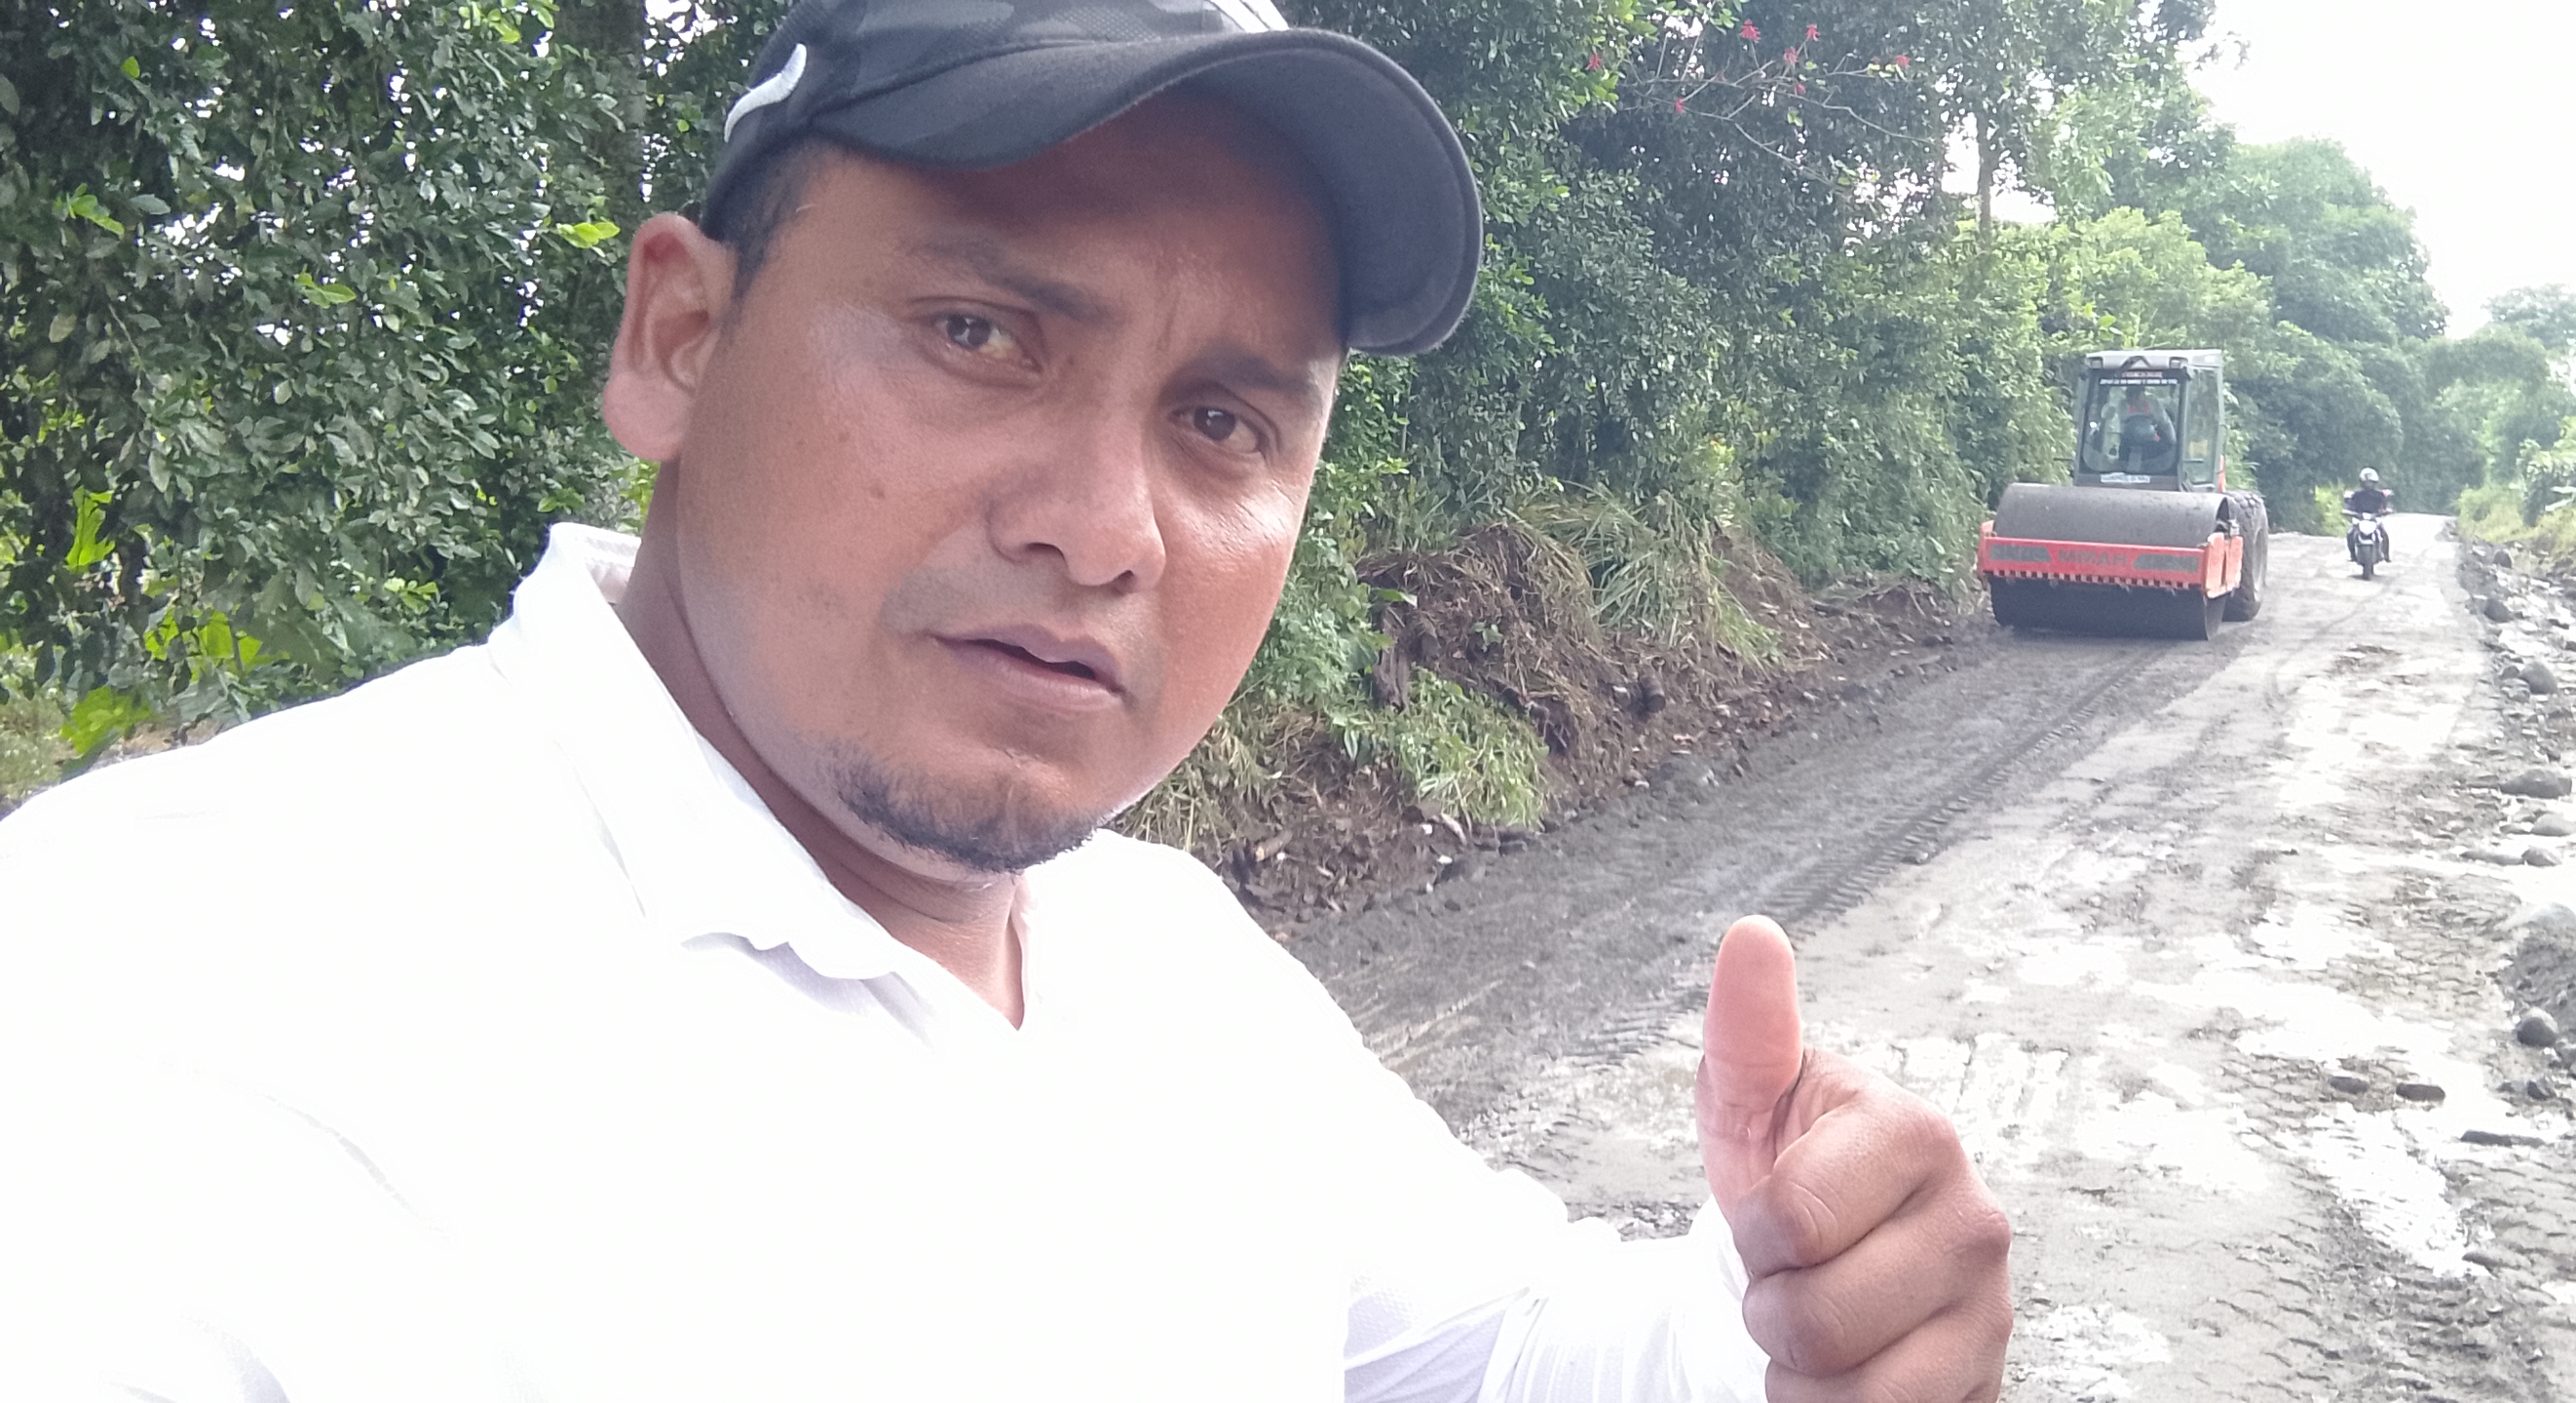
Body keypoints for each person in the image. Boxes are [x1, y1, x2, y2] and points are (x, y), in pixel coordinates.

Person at [0, 1, 2012, 1398]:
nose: (1105, 528)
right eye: (978, 332)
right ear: (678, 336)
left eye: (1223, 420)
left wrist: (1792, 1321)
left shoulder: (1163, 961)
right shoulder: (168, 1001)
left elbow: (1496, 1355)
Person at [2113, 385, 2180, 476]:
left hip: (2150, 446)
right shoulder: (2123, 405)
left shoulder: (2154, 404)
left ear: (2142, 394)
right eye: (2130, 396)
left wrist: (2173, 443)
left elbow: (2165, 424)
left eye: (2137, 396)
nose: (2133, 401)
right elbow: (2121, 423)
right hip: (2127, 445)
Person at [2341, 467, 2395, 561]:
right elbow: (2348, 505)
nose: (2368, 484)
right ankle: (2352, 554)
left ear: (2375, 482)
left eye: (2370, 482)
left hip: (2375, 517)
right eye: (2366, 482)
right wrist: (2348, 511)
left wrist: (2386, 510)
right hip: (2359, 518)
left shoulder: (2379, 494)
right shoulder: (2356, 494)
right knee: (2350, 534)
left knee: (2384, 534)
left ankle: (2386, 555)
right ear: (2362, 482)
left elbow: (2386, 505)